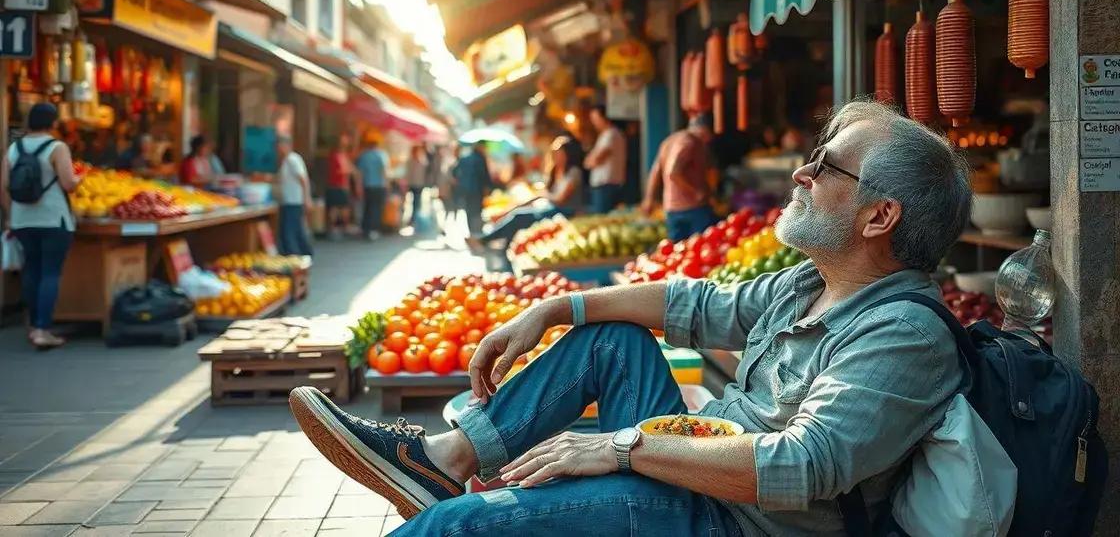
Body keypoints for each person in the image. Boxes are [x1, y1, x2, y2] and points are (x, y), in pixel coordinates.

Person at [289, 101, 974, 535]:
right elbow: (692, 305)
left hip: (731, 520)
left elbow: (798, 465)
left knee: (457, 527)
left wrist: (618, 447)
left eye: (826, 167)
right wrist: (556, 307)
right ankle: (445, 458)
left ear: (879, 217)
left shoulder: (903, 334)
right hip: (694, 468)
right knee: (611, 338)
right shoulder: (808, 284)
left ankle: (445, 499)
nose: (802, 175)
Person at [1, 103, 82, 349]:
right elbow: (68, 184)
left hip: (23, 220)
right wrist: (79, 179)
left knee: (31, 270)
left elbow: (3, 186)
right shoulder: (57, 147)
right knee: (50, 272)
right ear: (53, 122)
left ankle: (32, 325)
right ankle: (43, 329)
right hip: (52, 219)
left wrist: (10, 215)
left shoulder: (14, 149)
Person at [477, 136, 584, 246]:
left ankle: (485, 240)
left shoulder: (573, 173)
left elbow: (560, 199)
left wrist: (544, 195)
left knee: (519, 216)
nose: (556, 156)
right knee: (519, 211)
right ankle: (493, 238)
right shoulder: (556, 171)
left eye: (560, 153)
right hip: (551, 208)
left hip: (564, 212)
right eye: (555, 153)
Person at [641, 113, 717, 242]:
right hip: (693, 208)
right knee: (699, 247)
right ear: (704, 130)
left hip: (671, 208)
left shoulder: (668, 141)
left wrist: (649, 198)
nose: (709, 140)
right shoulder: (691, 142)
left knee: (678, 252)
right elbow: (673, 173)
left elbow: (655, 173)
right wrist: (696, 192)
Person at [583, 104, 627, 214]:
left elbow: (596, 159)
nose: (594, 123)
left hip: (606, 186)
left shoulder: (611, 134)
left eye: (596, 119)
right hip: (602, 187)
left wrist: (591, 160)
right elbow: (588, 162)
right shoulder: (604, 135)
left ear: (604, 117)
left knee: (602, 217)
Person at [275, 136, 313, 256]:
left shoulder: (293, 159)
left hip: (294, 201)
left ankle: (294, 257)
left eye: (279, 145)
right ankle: (306, 254)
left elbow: (303, 180)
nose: (278, 149)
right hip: (288, 201)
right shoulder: (286, 161)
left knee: (289, 232)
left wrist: (306, 198)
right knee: (297, 230)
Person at [452, 141, 494, 239]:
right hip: (477, 189)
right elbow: (485, 175)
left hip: (465, 189)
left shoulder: (464, 158)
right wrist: (488, 187)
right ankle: (476, 232)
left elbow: (454, 172)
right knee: (476, 210)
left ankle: (471, 230)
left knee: (469, 210)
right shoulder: (481, 159)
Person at [356, 134, 389, 240]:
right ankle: (373, 229)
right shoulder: (382, 155)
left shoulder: (364, 156)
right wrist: (387, 184)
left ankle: (365, 229)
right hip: (379, 185)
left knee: (367, 207)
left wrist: (359, 187)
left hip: (367, 185)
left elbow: (360, 173)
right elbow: (384, 171)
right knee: (377, 208)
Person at [326, 134, 355, 240]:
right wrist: (348, 170)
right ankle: (333, 228)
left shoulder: (344, 155)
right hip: (336, 185)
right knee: (335, 208)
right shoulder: (335, 155)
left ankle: (343, 227)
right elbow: (339, 170)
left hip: (343, 186)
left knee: (344, 208)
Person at [404, 145, 429, 227]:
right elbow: (408, 173)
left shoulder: (422, 161)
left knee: (417, 202)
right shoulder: (411, 161)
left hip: (419, 184)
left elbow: (426, 173)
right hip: (413, 184)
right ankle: (413, 219)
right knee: (413, 202)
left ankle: (414, 219)